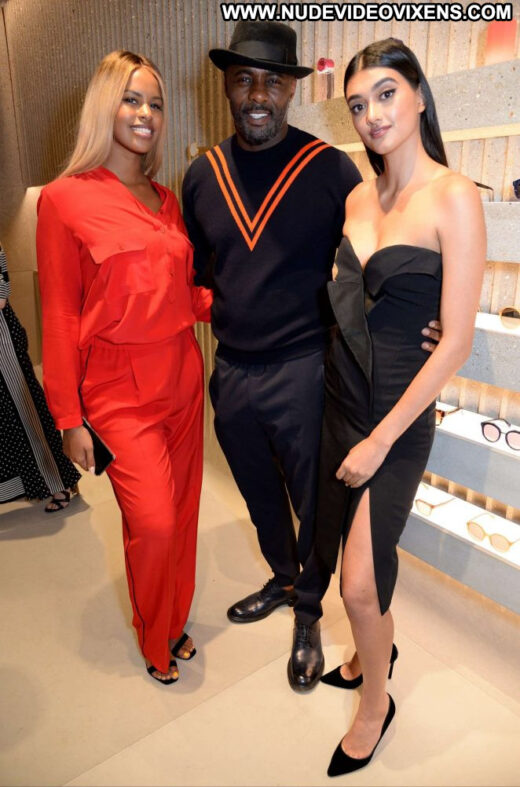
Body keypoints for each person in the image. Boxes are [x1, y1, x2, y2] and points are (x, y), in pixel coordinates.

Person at [182, 22, 441, 691]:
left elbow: (374, 258)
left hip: (305, 368)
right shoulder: (201, 176)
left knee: (315, 502)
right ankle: (282, 576)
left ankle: (308, 610)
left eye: (272, 81)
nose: (257, 94)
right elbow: (203, 273)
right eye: (244, 79)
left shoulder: (331, 170)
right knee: (258, 493)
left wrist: (430, 315)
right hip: (231, 370)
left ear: (292, 89)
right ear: (227, 86)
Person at [315, 39, 485, 776]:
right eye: (358, 104)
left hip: (398, 418)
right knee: (349, 555)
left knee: (357, 582)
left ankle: (375, 704)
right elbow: (350, 301)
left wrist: (381, 439)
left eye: (386, 94)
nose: (372, 115)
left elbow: (455, 343)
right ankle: (364, 654)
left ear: (418, 94)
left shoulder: (454, 195)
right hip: (343, 401)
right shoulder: (358, 197)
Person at [36, 50, 212, 684]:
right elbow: (59, 314)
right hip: (117, 388)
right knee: (154, 523)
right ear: (103, 107)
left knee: (184, 515)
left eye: (155, 104)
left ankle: (172, 624)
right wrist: (68, 417)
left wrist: (260, 296)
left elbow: (187, 294)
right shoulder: (63, 200)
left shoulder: (166, 200)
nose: (145, 114)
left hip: (183, 374)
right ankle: (153, 638)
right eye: (132, 99)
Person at [0, 244, 81, 511]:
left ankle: (58, 481)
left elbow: (1, 296)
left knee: (26, 411)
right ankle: (24, 485)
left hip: (3, 341)